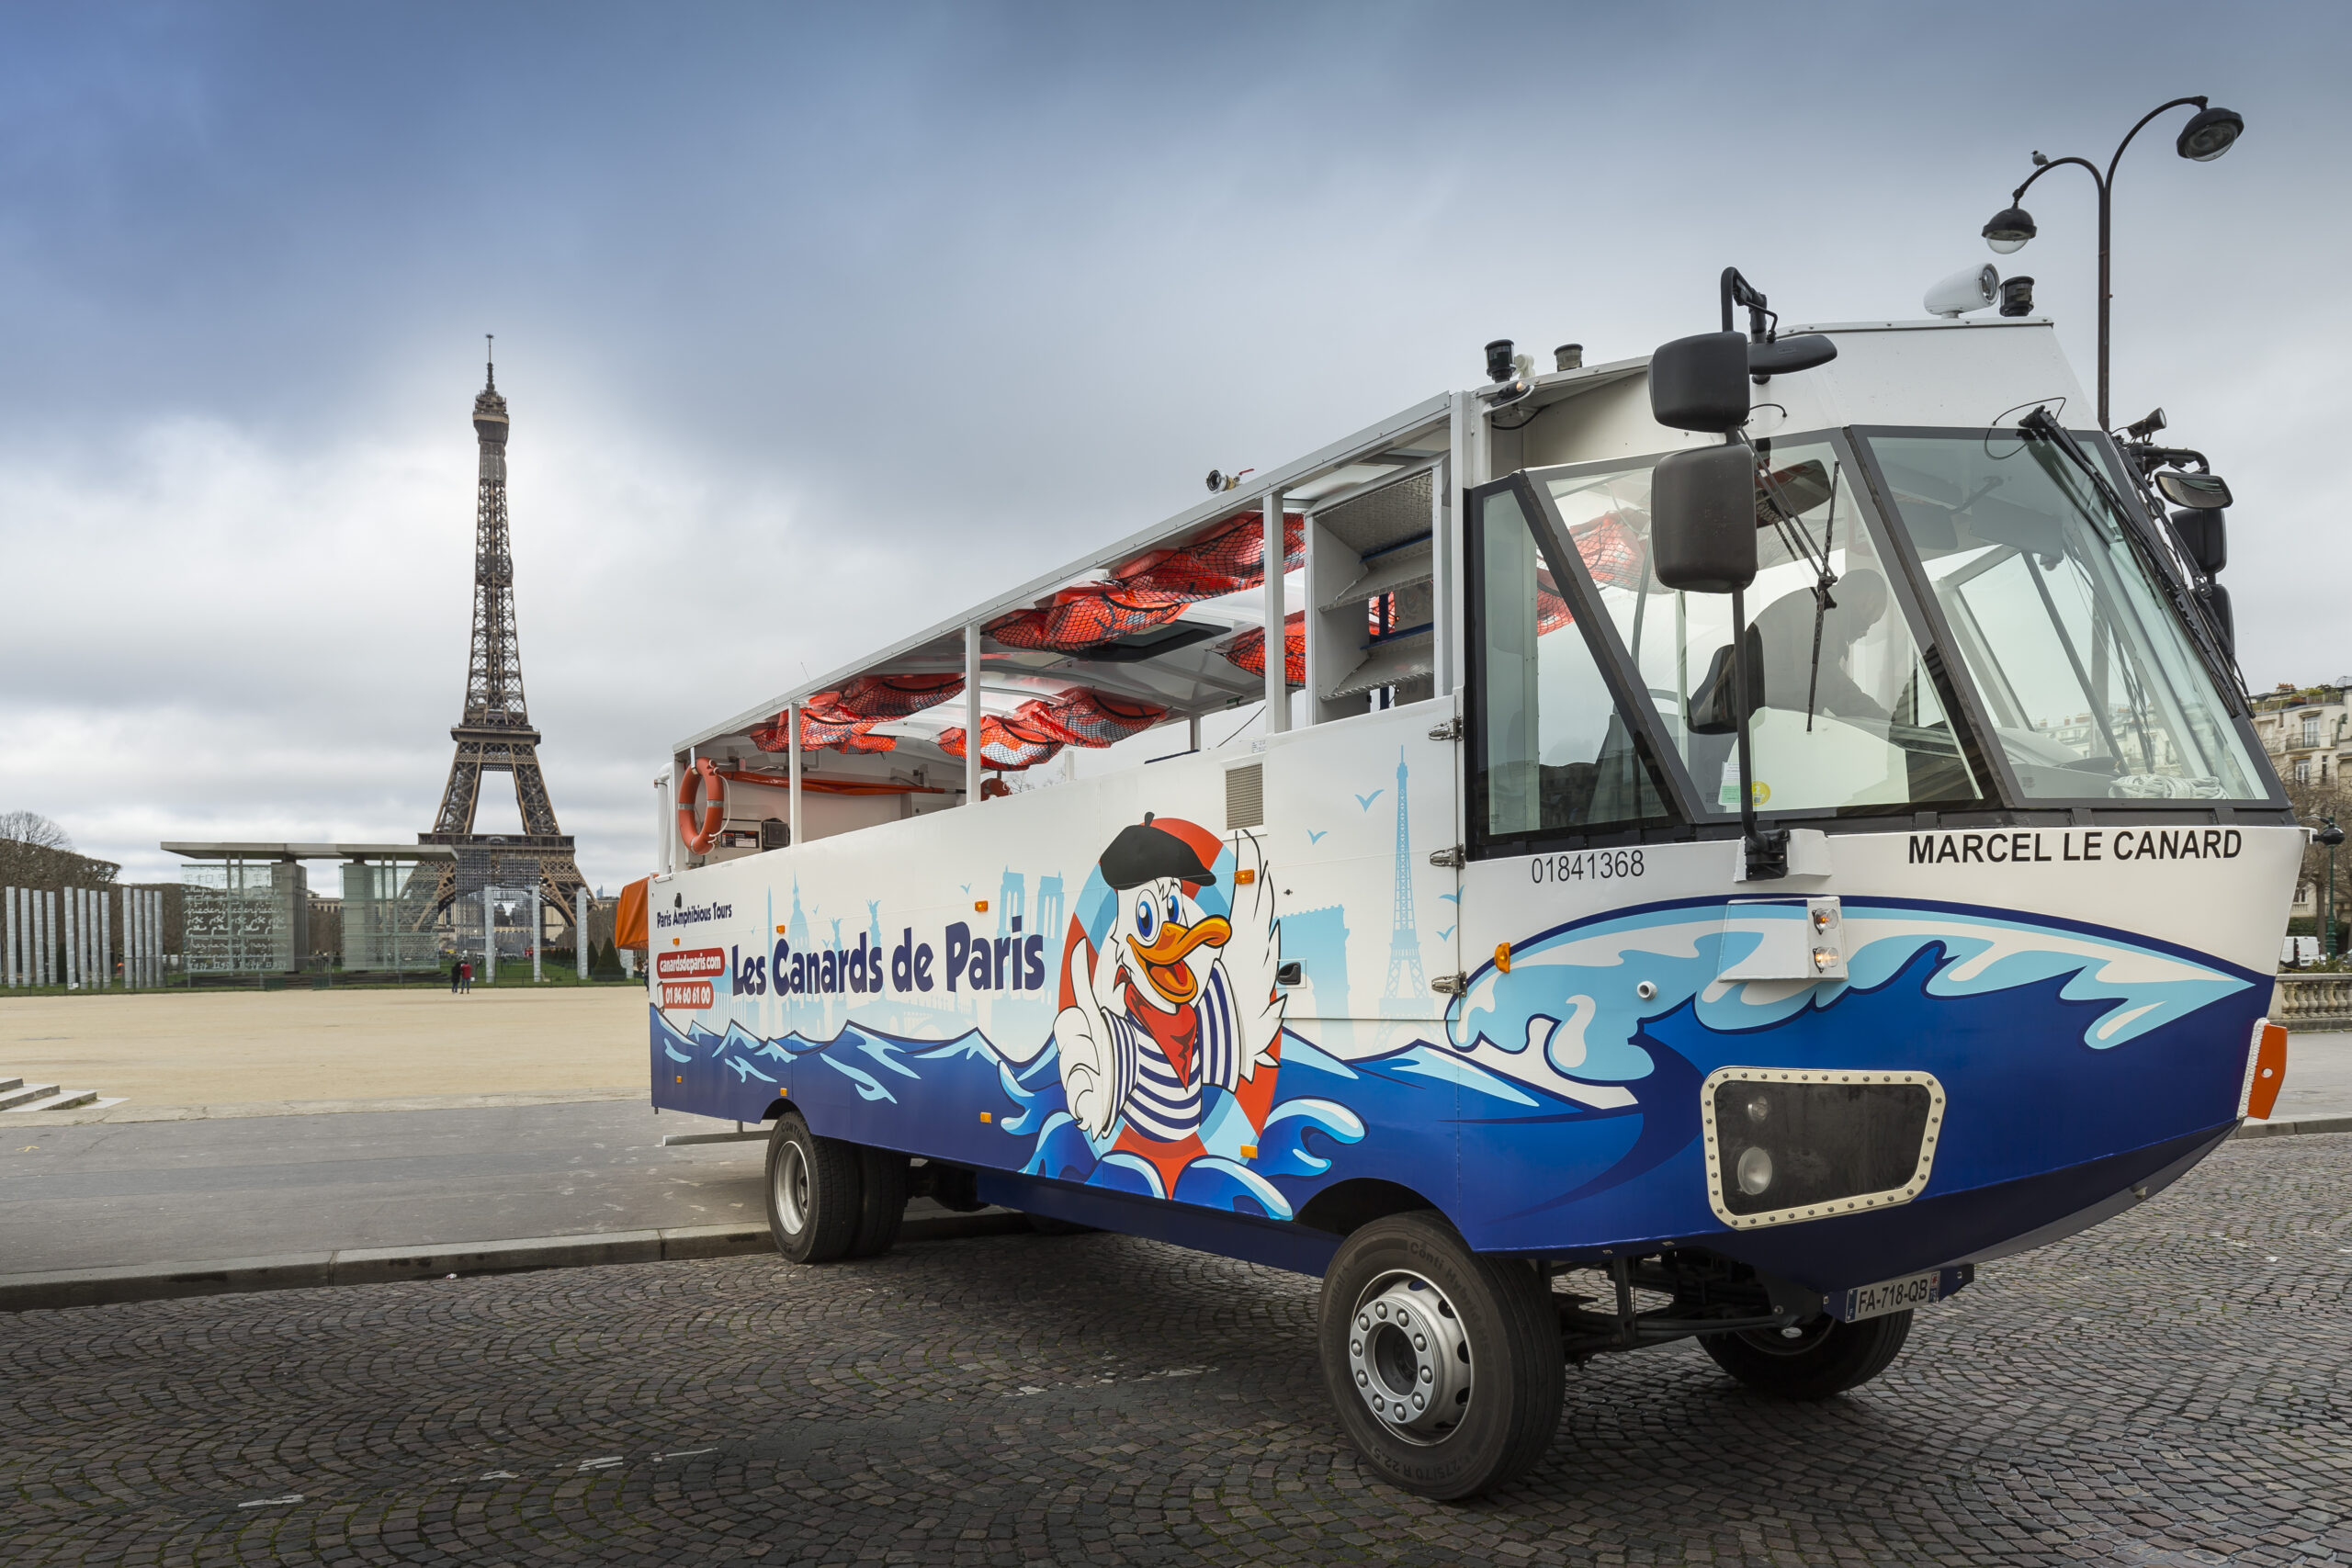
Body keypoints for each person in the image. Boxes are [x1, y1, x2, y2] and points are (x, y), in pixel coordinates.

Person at [1751, 567, 1894, 724]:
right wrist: (1884, 723)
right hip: (1753, 722)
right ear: (1862, 598)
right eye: (1871, 615)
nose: (1866, 631)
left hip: (1757, 717)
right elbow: (1822, 676)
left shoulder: (1817, 605)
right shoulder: (1822, 608)